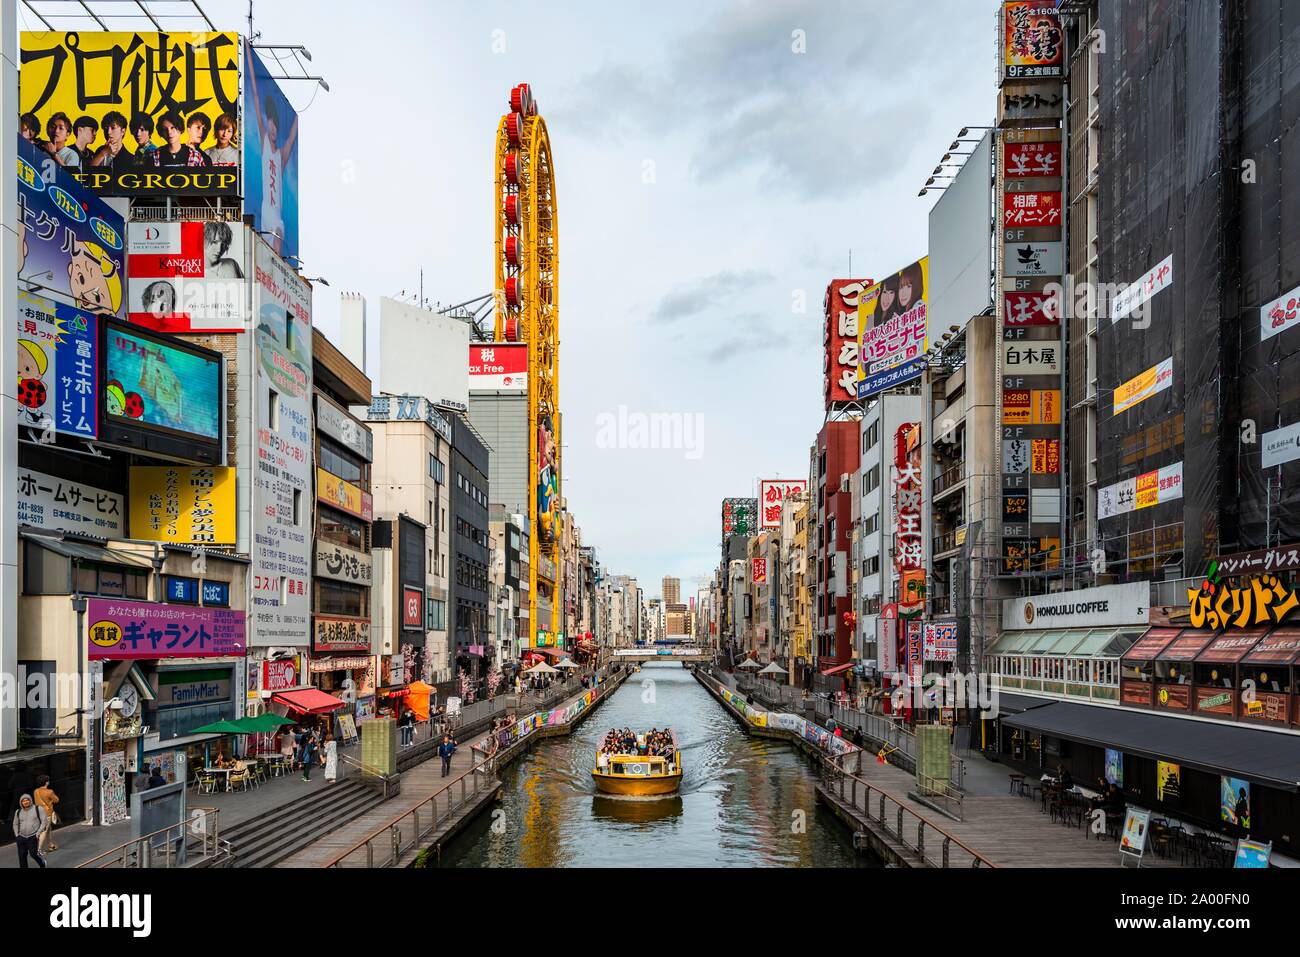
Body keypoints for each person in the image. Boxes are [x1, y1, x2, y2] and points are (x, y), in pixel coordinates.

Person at [12, 795, 47, 868]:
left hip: (33, 836)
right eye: (23, 801)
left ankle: (42, 863)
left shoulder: (38, 808)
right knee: (22, 856)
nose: (25, 802)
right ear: (21, 802)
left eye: (27, 800)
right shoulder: (18, 811)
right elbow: (15, 824)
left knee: (33, 854)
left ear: (30, 800)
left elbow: (44, 821)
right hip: (21, 837)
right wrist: (17, 835)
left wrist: (38, 833)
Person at [34, 775, 59, 854]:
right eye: (48, 780)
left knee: (48, 829)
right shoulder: (49, 792)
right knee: (44, 831)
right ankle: (38, 850)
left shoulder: (36, 791)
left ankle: (50, 845)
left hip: (38, 813)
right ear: (46, 782)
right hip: (47, 814)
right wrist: (50, 801)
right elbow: (56, 800)